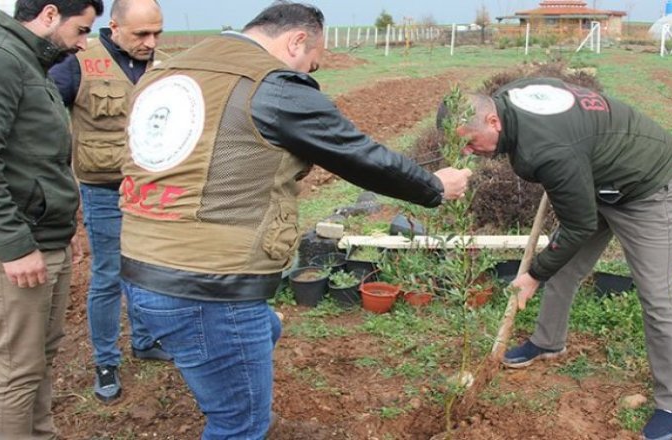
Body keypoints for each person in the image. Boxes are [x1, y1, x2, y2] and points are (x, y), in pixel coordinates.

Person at [119, 1, 472, 438]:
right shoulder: (271, 85)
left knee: (263, 330)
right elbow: (358, 154)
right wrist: (434, 186)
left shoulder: (168, 71)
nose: (310, 73)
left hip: (140, 269)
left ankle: (251, 406)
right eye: (311, 64)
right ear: (296, 40)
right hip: (209, 285)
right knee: (236, 425)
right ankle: (249, 420)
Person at [442, 77, 672, 440]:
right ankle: (548, 341)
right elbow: (553, 86)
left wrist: (531, 276)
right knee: (564, 267)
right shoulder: (511, 99)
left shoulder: (545, 149)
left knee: (657, 294)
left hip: (646, 185)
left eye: (469, 141)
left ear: (493, 122)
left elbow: (578, 226)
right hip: (594, 179)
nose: (468, 152)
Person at [0, 0, 103, 438]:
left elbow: (37, 159)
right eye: (81, 30)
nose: (84, 44)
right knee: (17, 368)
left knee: (40, 358)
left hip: (44, 239)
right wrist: (15, 245)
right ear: (48, 14)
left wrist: (65, 225)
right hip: (8, 251)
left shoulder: (28, 62)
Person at [48, 0, 169, 404]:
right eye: (141, 35)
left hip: (154, 190)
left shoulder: (166, 66)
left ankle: (146, 339)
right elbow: (45, 120)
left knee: (149, 269)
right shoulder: (78, 63)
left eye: (157, 33)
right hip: (103, 191)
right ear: (114, 26)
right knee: (109, 275)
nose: (151, 42)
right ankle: (105, 361)